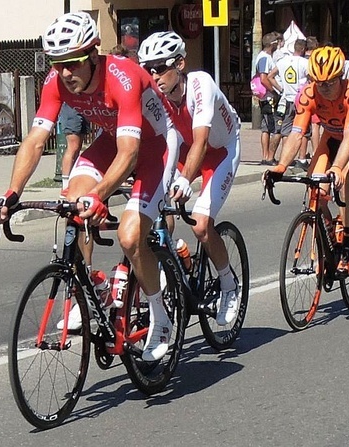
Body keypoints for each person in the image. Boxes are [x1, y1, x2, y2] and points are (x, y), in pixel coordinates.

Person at [0, 12, 178, 362]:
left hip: (157, 147)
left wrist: (100, 194)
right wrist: (12, 192)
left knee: (130, 236)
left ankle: (162, 318)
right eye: (57, 64)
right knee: (71, 201)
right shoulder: (55, 82)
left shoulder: (123, 77)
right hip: (112, 141)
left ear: (93, 54)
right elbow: (35, 140)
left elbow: (131, 152)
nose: (64, 73)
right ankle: (94, 287)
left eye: (72, 64)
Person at [138, 31, 242, 325]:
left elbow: (201, 141)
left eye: (160, 67)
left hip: (220, 151)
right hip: (186, 149)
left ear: (180, 63)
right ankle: (174, 265)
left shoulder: (201, 85)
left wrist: (184, 179)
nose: (154, 75)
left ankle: (228, 285)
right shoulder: (156, 97)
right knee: (156, 214)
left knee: (200, 223)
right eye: (148, 69)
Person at [265, 46, 349, 275]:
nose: (323, 88)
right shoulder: (309, 94)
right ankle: (328, 234)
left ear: (340, 78)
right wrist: (280, 166)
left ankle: (348, 246)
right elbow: (297, 133)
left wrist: (337, 167)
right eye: (319, 82)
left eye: (329, 83)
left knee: (346, 181)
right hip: (331, 139)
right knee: (314, 186)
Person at [268, 38, 310, 169]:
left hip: (286, 99)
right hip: (301, 100)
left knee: (286, 130)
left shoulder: (282, 62)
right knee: (303, 129)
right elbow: (312, 78)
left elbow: (270, 76)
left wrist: (281, 89)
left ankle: (286, 159)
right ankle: (302, 159)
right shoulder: (305, 63)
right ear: (302, 49)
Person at [253, 32, 282, 165]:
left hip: (266, 97)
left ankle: (267, 156)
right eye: (276, 43)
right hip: (268, 97)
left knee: (266, 127)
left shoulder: (264, 57)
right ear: (272, 45)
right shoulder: (265, 58)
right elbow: (264, 78)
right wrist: (274, 91)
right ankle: (267, 156)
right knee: (270, 127)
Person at [57, 102, 89, 198]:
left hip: (83, 109)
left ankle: (73, 182)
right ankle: (65, 186)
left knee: (77, 147)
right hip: (72, 109)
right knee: (73, 147)